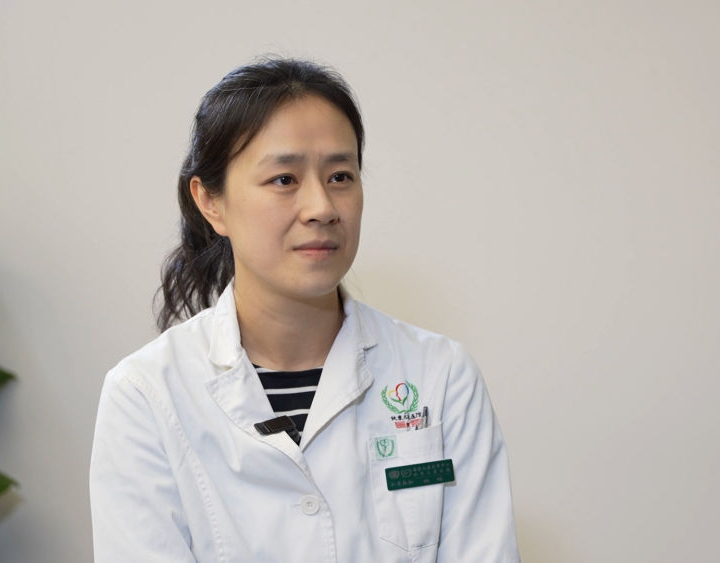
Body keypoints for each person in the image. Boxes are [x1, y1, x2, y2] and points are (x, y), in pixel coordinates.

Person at [90, 57, 520, 562]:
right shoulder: (146, 395)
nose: (322, 207)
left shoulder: (441, 378)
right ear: (211, 202)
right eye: (284, 179)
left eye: (340, 176)